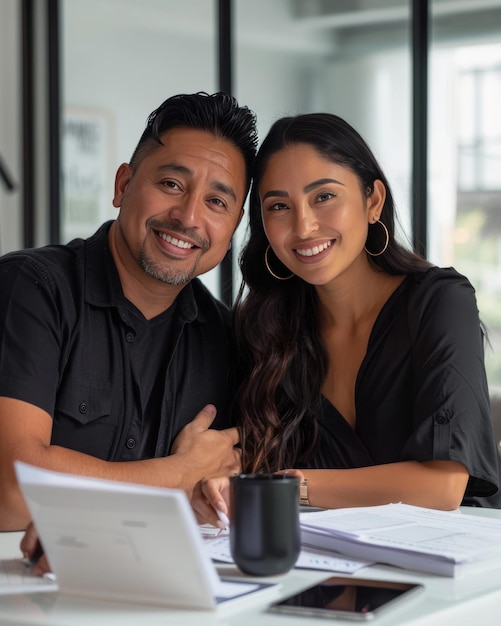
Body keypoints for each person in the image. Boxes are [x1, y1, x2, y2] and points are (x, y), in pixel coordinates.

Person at [193, 112, 501, 527]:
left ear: (372, 200)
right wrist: (214, 481)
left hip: (453, 573)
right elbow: (242, 463)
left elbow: (444, 486)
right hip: (326, 573)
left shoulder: (438, 302)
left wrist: (290, 487)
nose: (303, 226)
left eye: (324, 197)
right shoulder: (265, 332)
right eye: (279, 206)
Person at [0, 91, 259, 535]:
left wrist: (201, 487)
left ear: (233, 227)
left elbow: (219, 494)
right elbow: (13, 492)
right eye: (171, 184)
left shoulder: (225, 338)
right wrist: (177, 476)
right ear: (123, 185)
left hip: (156, 587)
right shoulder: (32, 288)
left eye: (216, 202)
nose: (188, 216)